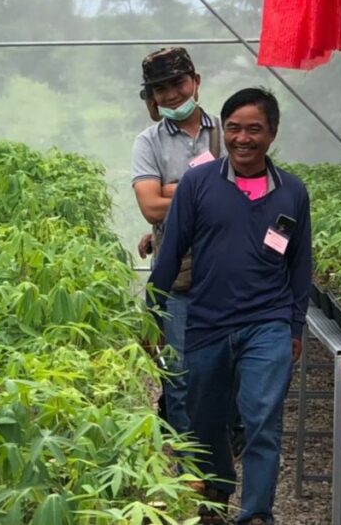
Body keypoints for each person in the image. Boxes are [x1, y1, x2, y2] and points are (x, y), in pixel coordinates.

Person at [148, 87, 312, 525]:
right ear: (224, 130)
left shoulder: (292, 192)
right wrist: (154, 313)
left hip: (268, 322)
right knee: (205, 415)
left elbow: (301, 265)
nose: (242, 138)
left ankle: (256, 513)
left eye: (254, 129)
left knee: (262, 417)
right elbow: (171, 253)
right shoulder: (199, 184)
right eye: (234, 128)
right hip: (207, 321)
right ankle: (216, 488)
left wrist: (294, 326)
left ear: (272, 133)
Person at [131, 47, 221, 438]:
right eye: (160, 89)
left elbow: (248, 197)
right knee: (180, 371)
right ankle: (190, 458)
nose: (171, 95)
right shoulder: (148, 142)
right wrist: (206, 192)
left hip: (228, 275)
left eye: (178, 83)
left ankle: (220, 445)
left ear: (196, 82)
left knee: (223, 367)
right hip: (179, 276)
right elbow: (150, 207)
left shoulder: (229, 131)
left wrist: (174, 189)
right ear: (151, 97)